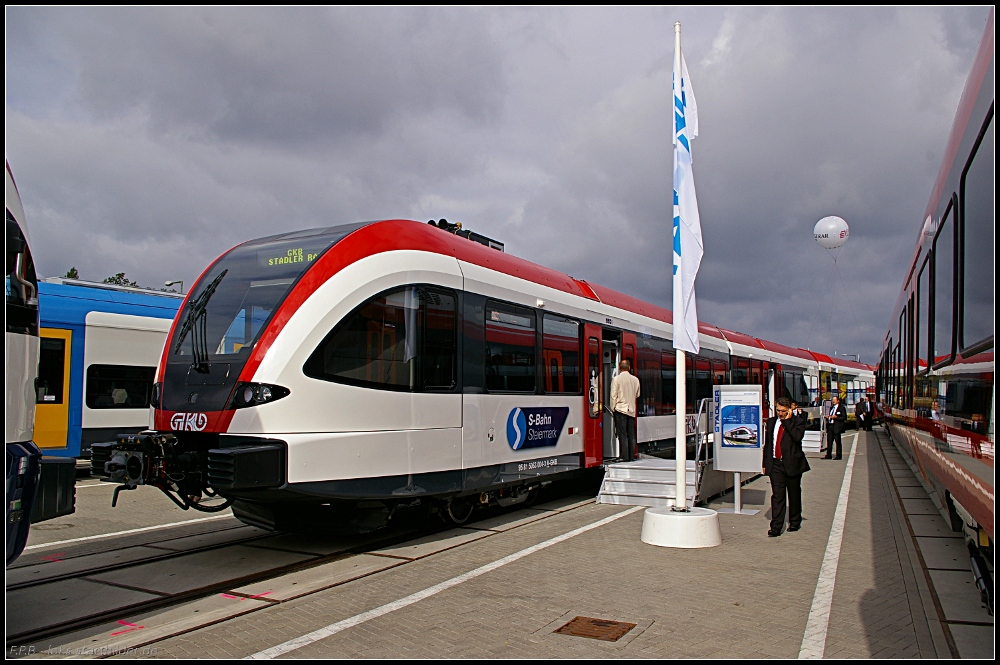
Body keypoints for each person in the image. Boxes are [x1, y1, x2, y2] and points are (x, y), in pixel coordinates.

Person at [762, 396, 809, 536]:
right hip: (776, 464)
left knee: (794, 494)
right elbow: (768, 444)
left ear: (789, 410)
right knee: (777, 496)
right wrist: (765, 463)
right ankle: (776, 527)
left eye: (783, 411)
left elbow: (797, 437)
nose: (780, 413)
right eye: (778, 410)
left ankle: (795, 521)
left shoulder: (798, 422)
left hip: (792, 464)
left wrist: (787, 422)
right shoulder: (771, 422)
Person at [610, 359, 640, 461]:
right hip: (631, 410)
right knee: (631, 434)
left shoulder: (616, 379)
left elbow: (613, 396)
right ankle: (631, 456)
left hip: (620, 409)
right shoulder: (635, 380)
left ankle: (624, 456)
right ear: (629, 368)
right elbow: (637, 394)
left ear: (619, 368)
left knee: (622, 434)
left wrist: (612, 408)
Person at [824, 395, 847, 459]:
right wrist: (828, 417)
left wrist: (837, 417)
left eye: (834, 400)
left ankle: (838, 455)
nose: (833, 401)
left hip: (837, 427)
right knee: (829, 442)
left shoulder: (841, 408)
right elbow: (830, 415)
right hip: (830, 426)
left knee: (838, 442)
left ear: (838, 401)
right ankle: (828, 455)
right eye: (832, 400)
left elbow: (844, 417)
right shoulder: (831, 408)